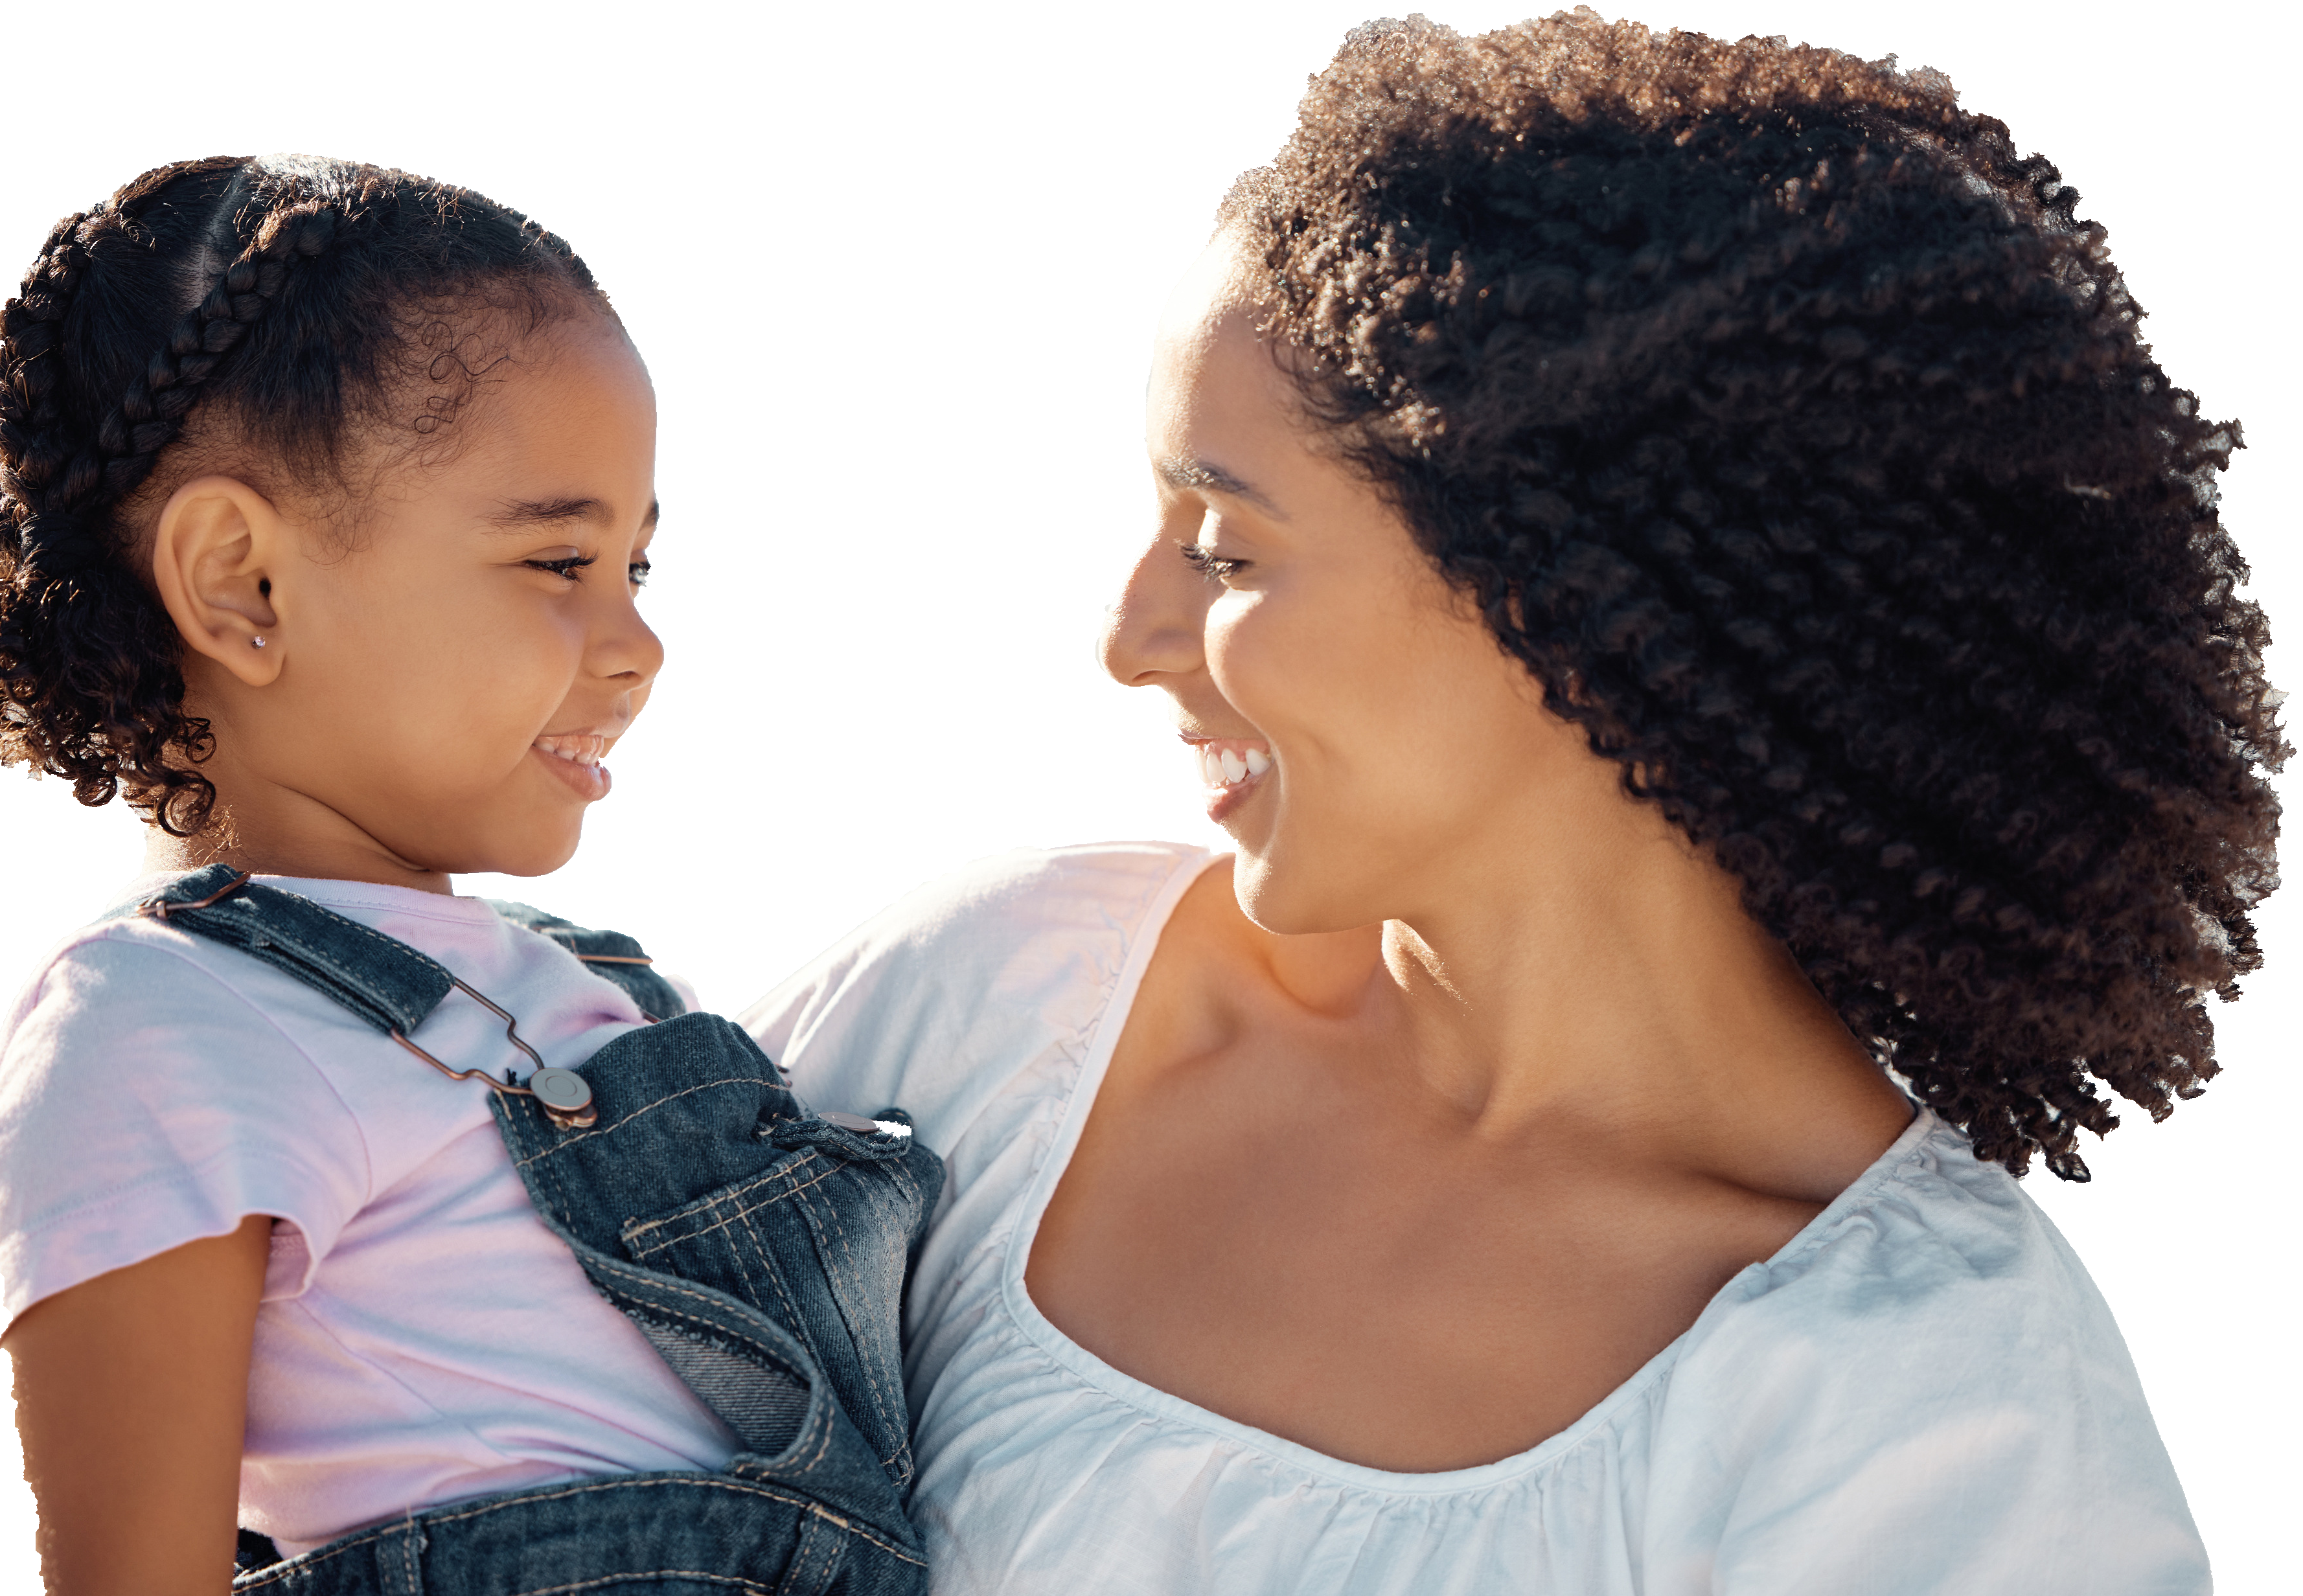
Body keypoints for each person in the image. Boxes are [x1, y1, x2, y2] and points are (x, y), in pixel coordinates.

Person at [738, 13, 2280, 1593]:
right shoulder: (996, 1009)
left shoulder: (1932, 1401)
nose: (1127, 639)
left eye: (1227, 548)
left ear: (1577, 602)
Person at [0, 155, 942, 1593]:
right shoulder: (156, 1022)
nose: (637, 647)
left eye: (635, 571)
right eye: (557, 561)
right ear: (243, 582)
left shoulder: (594, 989)